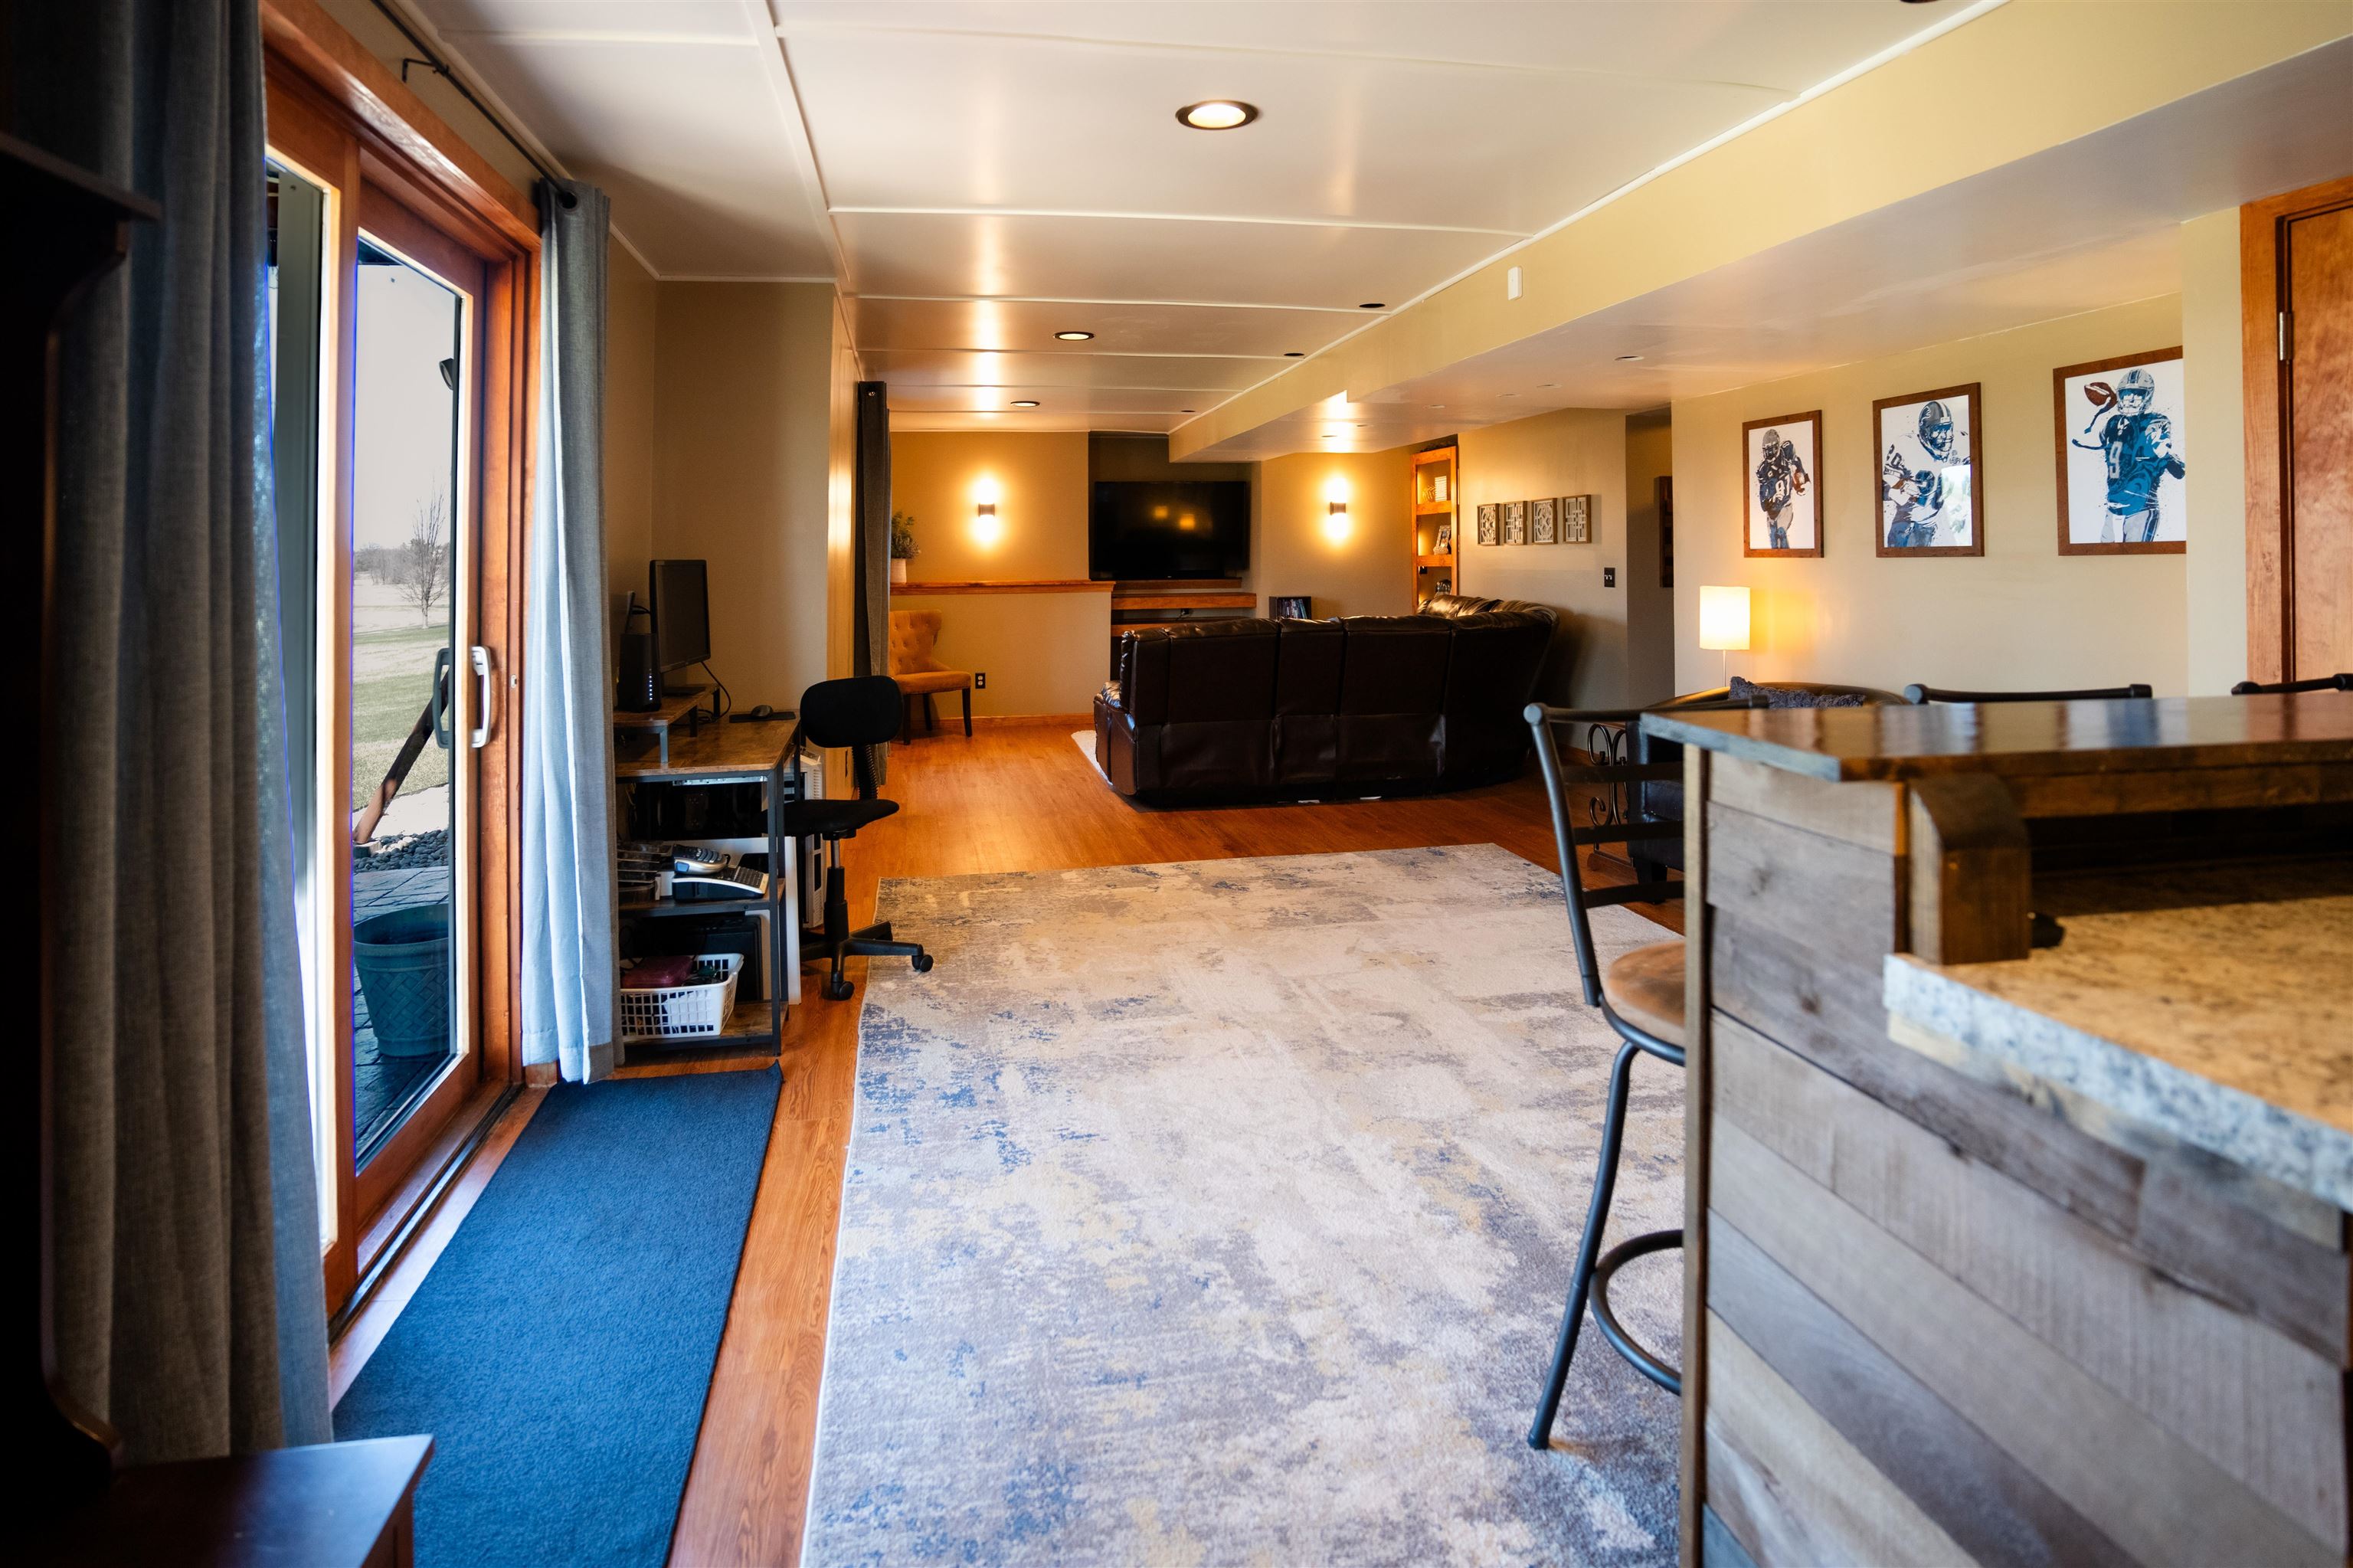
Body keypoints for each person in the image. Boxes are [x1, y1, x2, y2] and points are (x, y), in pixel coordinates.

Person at [2073, 366, 2185, 542]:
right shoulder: (2113, 422)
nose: (2131, 398)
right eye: (2126, 393)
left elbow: (2177, 468)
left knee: (2138, 562)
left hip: (2141, 508)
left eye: (2137, 393)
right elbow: (2080, 441)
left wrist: (2163, 451)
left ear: (2146, 396)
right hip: (2113, 507)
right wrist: (2099, 411)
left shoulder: (2156, 422)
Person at [1881, 399, 1971, 549]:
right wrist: (1899, 487)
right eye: (1939, 429)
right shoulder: (1906, 446)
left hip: (1931, 523)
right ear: (1925, 430)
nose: (1946, 435)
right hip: (1905, 521)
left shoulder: (1962, 441)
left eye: (1948, 428)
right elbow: (1882, 487)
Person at [1753, 427, 1809, 549]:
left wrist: (1800, 476)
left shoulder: (1786, 453)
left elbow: (1797, 467)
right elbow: (1763, 504)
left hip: (1785, 505)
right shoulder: (1763, 469)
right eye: (1766, 451)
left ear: (1778, 446)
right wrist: (1772, 499)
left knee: (1781, 533)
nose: (1769, 454)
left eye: (1771, 449)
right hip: (1771, 512)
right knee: (1774, 542)